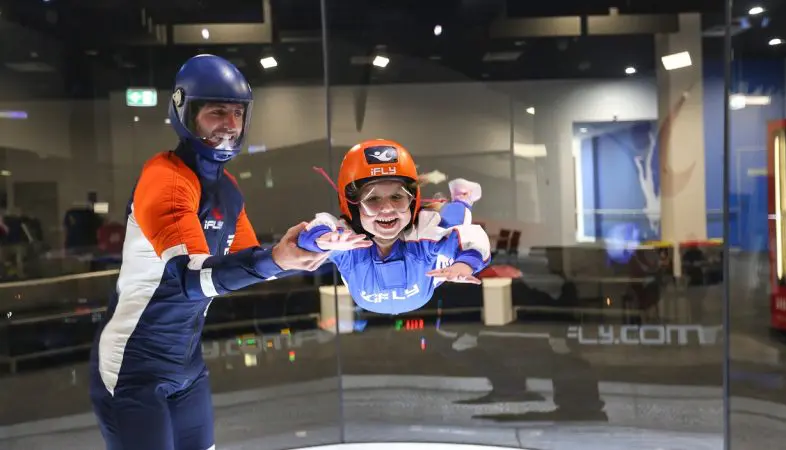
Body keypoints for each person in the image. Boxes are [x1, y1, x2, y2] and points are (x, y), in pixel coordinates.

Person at [88, 54, 350, 450]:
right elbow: (193, 280)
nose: (229, 125)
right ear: (185, 112)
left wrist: (313, 245)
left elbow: (248, 265)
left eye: (237, 113)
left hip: (187, 367)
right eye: (216, 112)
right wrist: (276, 258)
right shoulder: (165, 178)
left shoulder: (226, 190)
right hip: (132, 368)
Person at [297, 138, 492, 315]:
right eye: (373, 199)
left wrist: (464, 264)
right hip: (413, 290)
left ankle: (462, 198)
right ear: (353, 208)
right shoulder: (347, 243)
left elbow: (471, 237)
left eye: (397, 197)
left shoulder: (423, 236)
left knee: (451, 223)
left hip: (430, 275)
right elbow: (318, 227)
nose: (387, 209)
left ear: (412, 201)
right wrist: (321, 239)